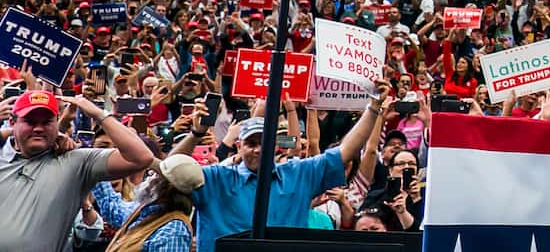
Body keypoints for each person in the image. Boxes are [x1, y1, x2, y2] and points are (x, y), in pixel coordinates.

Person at [172, 89, 382, 247]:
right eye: (251, 144)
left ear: (275, 145)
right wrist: (196, 134)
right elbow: (169, 172)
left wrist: (373, 108)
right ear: (239, 146)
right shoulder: (217, 178)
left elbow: (346, 151)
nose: (258, 150)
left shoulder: (298, 173)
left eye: (264, 143)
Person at [0, 89, 155, 252]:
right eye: (30, 122)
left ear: (56, 122)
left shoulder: (76, 161)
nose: (38, 128)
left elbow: (142, 157)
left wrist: (98, 114)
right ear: (12, 122)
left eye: (47, 122)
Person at [98, 154, 204, 252]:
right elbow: (112, 208)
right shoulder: (147, 212)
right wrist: (94, 166)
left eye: (156, 174)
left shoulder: (173, 230)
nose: (150, 173)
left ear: (166, 187)